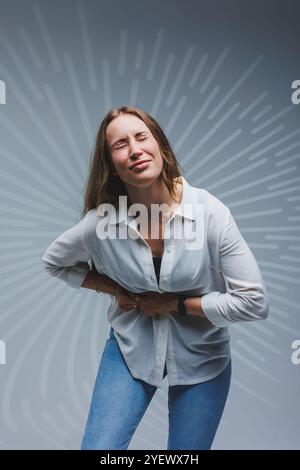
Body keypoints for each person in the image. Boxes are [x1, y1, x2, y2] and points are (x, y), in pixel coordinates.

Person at [41, 106, 269, 450]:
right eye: (119, 145)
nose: (133, 149)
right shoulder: (101, 223)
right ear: (112, 166)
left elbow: (254, 302)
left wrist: (178, 305)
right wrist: (113, 288)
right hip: (130, 350)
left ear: (160, 146)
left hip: (203, 358)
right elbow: (55, 262)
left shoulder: (209, 213)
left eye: (141, 137)